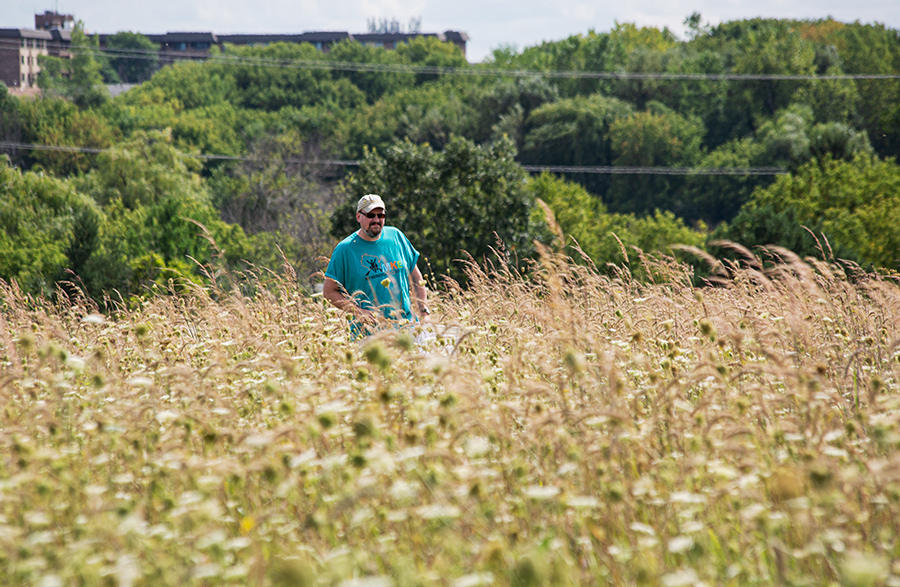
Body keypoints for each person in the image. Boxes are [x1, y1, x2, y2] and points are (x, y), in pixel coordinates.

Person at [323, 194, 430, 338]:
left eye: (381, 215)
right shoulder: (345, 249)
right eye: (370, 215)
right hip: (367, 335)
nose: (376, 220)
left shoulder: (396, 236)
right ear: (358, 217)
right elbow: (329, 292)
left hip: (407, 328)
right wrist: (359, 312)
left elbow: (416, 278)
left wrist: (424, 312)